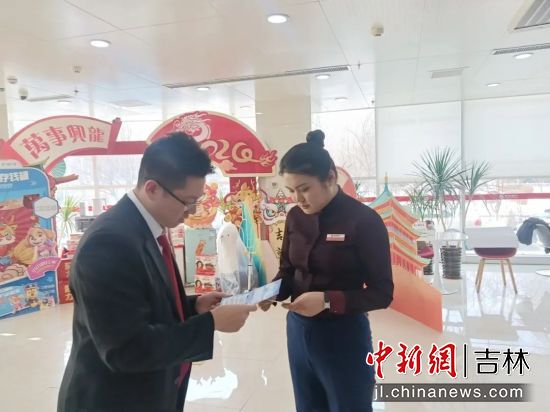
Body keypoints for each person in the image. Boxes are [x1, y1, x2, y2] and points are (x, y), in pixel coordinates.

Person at [58, 132, 256, 412]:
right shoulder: (108, 243)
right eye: (187, 201)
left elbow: (143, 303)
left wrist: (194, 307)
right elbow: (125, 349)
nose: (191, 211)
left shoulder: (148, 228)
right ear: (152, 189)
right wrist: (210, 324)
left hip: (152, 391)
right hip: (114, 400)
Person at [260, 130, 394, 412]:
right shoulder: (295, 217)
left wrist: (326, 300)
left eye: (304, 188)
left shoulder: (364, 221)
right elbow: (288, 271)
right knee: (308, 406)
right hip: (298, 332)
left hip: (343, 336)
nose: (298, 199)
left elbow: (382, 293)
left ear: (330, 178)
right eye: (291, 191)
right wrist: (269, 292)